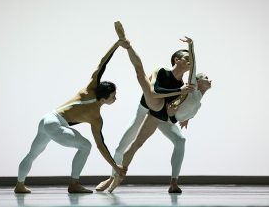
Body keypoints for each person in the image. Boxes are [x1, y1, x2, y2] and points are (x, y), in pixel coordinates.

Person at [96, 29, 211, 193]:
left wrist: (183, 114)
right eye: (186, 59)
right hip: (144, 110)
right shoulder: (162, 71)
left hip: (158, 114)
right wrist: (180, 92)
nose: (189, 62)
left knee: (180, 140)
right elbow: (155, 92)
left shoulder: (183, 86)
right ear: (176, 60)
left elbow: (177, 107)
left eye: (190, 60)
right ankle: (112, 177)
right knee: (122, 146)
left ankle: (174, 182)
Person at [14, 38, 128, 194]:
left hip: (47, 119)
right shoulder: (96, 117)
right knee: (86, 146)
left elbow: (102, 63)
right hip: (55, 124)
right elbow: (100, 146)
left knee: (32, 154)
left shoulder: (90, 88)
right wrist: (115, 166)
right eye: (113, 96)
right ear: (104, 99)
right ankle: (74, 184)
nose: (116, 98)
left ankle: (19, 185)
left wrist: (117, 45)